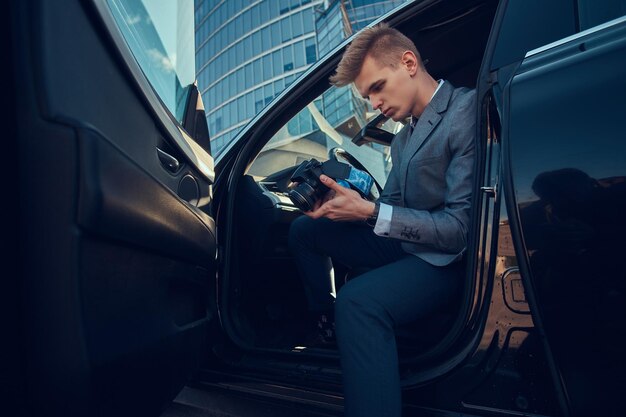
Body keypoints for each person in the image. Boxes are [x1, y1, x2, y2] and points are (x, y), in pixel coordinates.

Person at [288, 22, 476, 417]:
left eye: (377, 87)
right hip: (403, 241)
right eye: (366, 95)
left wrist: (372, 212)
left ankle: (347, 322)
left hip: (444, 260)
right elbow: (390, 203)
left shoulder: (464, 111)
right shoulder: (404, 137)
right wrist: (348, 206)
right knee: (305, 229)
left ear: (408, 62)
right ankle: (326, 323)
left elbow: (460, 231)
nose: (373, 103)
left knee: (357, 302)